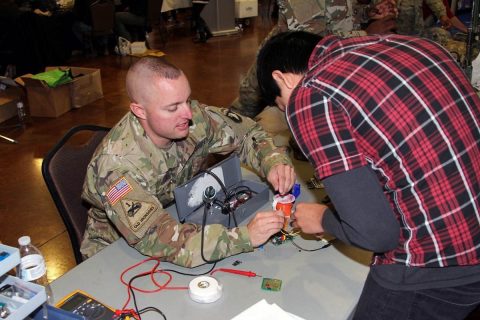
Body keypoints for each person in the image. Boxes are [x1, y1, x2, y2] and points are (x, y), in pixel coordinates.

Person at [256, 31, 480, 319]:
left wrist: (322, 218)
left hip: (438, 263)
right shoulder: (416, 44)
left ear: (282, 78)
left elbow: (378, 235)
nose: (290, 112)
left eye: (282, 105)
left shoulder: (312, 94)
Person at [81, 57, 296, 268]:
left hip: (176, 214)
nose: (188, 113)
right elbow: (161, 239)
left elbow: (248, 133)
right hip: (115, 254)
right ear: (139, 111)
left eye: (187, 100)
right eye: (173, 107)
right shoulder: (116, 167)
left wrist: (273, 161)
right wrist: (245, 237)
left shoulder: (192, 119)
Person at [230, 0, 397, 120]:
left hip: (319, 61)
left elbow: (338, 14)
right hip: (289, 58)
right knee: (246, 108)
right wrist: (365, 34)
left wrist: (367, 12)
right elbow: (310, 44)